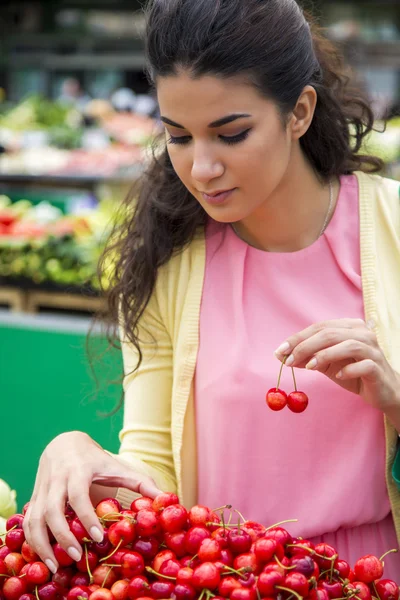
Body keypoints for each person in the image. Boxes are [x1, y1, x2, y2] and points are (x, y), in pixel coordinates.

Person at [24, 0, 400, 579]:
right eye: (178, 136)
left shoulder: (391, 228)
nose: (201, 168)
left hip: (375, 579)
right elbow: (154, 481)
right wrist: (74, 451)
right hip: (221, 580)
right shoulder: (168, 259)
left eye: (231, 134)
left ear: (298, 112)